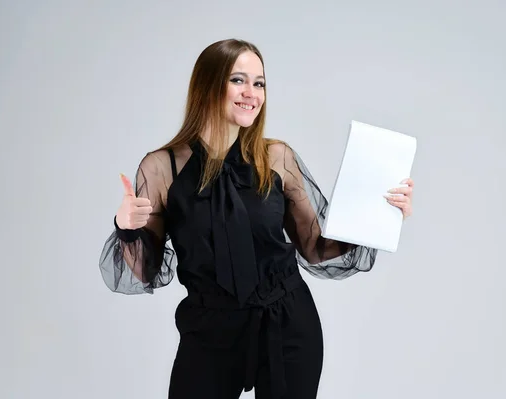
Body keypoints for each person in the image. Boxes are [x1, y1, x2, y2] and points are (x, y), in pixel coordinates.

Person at [99, 38, 415, 399]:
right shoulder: (162, 168)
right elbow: (145, 271)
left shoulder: (276, 158)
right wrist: (126, 228)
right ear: (208, 85)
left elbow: (314, 247)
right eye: (238, 80)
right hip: (209, 330)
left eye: (259, 82)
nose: (251, 93)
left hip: (287, 323)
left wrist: (379, 214)